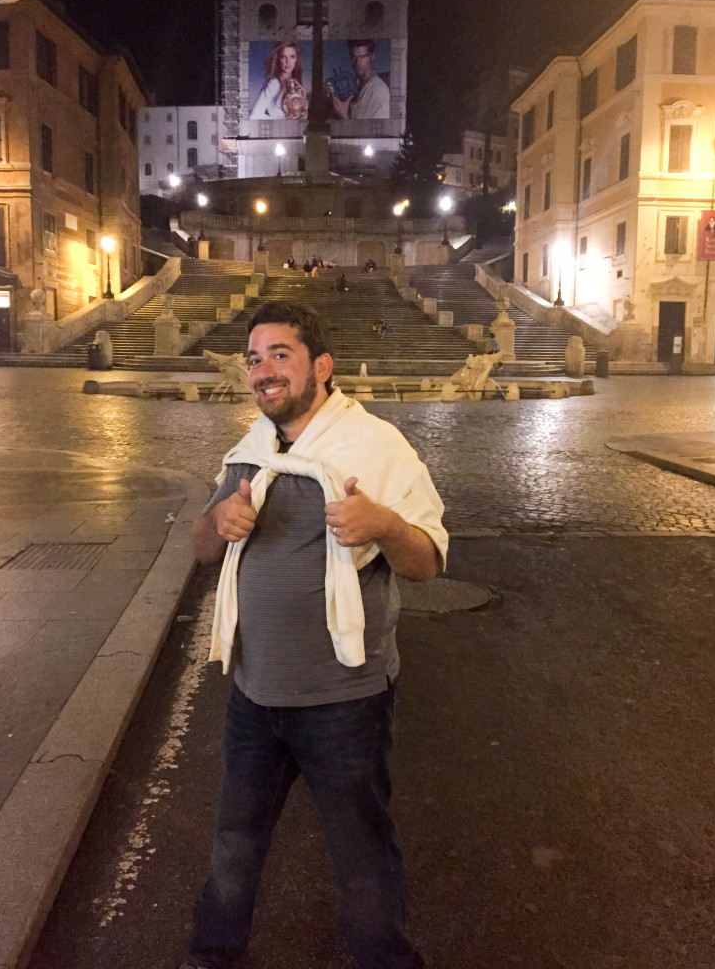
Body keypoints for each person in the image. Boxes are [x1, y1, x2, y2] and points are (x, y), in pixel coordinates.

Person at [183, 301, 446, 969]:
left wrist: (382, 524)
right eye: (254, 358)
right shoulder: (251, 449)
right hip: (253, 693)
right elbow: (201, 548)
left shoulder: (376, 446)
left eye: (280, 355)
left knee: (361, 855)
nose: (263, 371)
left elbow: (427, 563)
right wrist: (221, 522)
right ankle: (213, 954)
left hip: (344, 701)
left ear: (320, 367)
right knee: (234, 842)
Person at [326, 39, 390, 120]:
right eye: (354, 57)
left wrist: (344, 115)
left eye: (363, 57)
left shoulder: (379, 92)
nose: (357, 62)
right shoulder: (353, 83)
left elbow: (374, 131)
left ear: (372, 56)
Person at [249, 41, 308, 120]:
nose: (288, 61)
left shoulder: (296, 84)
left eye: (292, 57)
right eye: (283, 57)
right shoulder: (274, 83)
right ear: (278, 59)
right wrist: (284, 119)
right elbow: (254, 116)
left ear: (297, 59)